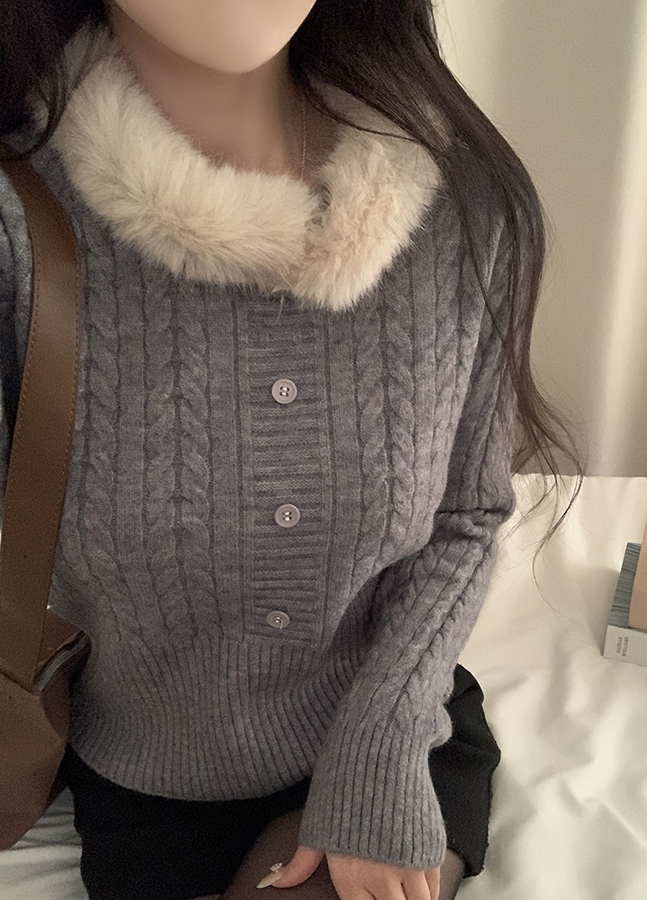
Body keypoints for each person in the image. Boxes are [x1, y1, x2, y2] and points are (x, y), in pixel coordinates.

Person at [0, 1, 583, 899]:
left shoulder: (464, 200)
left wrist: (382, 753)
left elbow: (466, 516)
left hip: (393, 728)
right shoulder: (19, 223)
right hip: (152, 775)